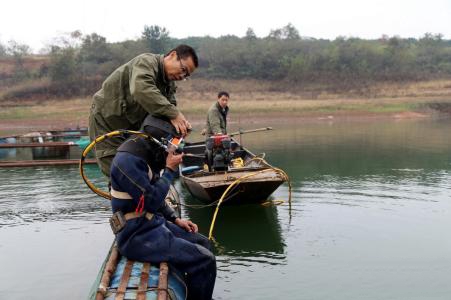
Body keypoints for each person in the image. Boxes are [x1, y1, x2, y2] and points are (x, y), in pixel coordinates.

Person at [109, 115, 216, 300]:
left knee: (204, 243)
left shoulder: (145, 153)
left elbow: (155, 191)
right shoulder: (128, 162)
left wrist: (175, 219)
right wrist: (169, 171)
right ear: (160, 142)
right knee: (205, 260)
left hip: (152, 224)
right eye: (171, 145)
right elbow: (150, 200)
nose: (173, 149)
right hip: (136, 235)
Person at [89, 44, 198, 177]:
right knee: (119, 173)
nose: (182, 76)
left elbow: (169, 108)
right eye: (183, 69)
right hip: (106, 124)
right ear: (172, 55)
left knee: (141, 170)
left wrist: (180, 127)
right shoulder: (146, 62)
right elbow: (141, 89)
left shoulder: (168, 84)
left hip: (131, 127)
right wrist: (174, 114)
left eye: (186, 75)